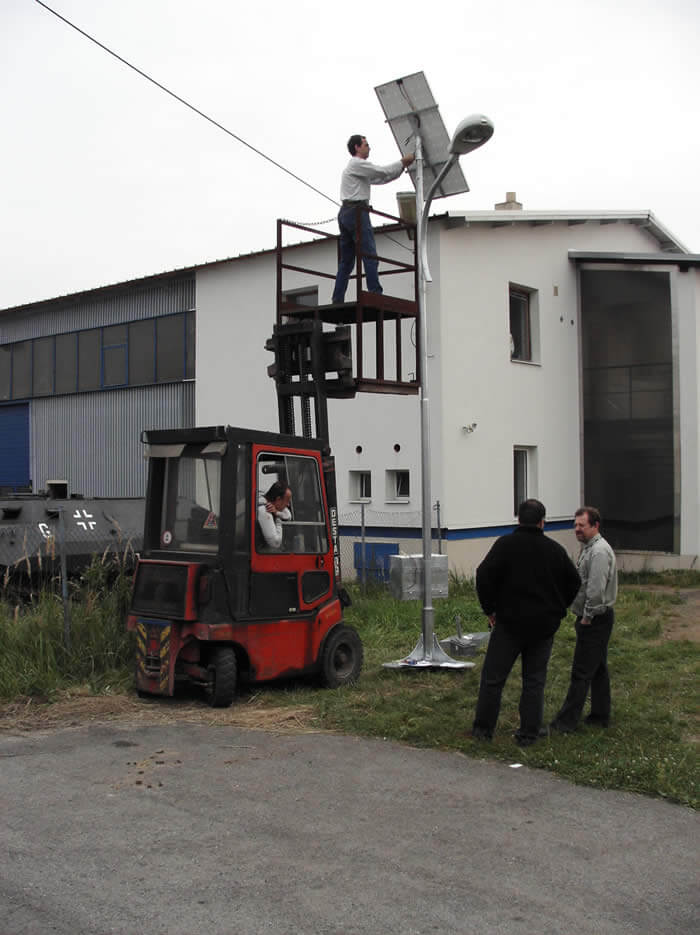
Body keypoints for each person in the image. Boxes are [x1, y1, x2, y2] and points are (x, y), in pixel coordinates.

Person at [471, 499, 581, 747]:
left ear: (518, 519)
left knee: (493, 678)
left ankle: (483, 730)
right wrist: (558, 609)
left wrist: (490, 608)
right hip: (543, 627)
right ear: (543, 522)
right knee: (534, 680)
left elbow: (483, 574)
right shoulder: (555, 550)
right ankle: (529, 733)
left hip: (508, 624)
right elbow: (574, 581)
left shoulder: (505, 545)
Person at [550, 506, 618, 732]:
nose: (577, 529)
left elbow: (595, 590)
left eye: (582, 525)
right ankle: (600, 715)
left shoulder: (598, 552)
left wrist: (587, 617)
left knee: (581, 672)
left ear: (595, 526)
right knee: (597, 668)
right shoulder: (589, 548)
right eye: (575, 525)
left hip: (595, 619)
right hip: (594, 617)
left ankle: (565, 722)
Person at [331, 135, 415, 304]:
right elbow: (381, 172)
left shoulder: (357, 168)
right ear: (357, 147)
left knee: (347, 261)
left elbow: (381, 177)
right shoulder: (357, 164)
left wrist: (400, 167)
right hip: (356, 212)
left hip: (346, 212)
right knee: (369, 254)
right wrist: (402, 162)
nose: (369, 148)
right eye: (366, 145)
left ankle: (338, 298)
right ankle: (375, 293)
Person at [256, 481, 292, 550]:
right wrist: (278, 520)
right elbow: (275, 543)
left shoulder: (269, 502)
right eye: (287, 501)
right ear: (278, 499)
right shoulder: (264, 510)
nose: (288, 505)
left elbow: (288, 515)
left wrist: (277, 512)